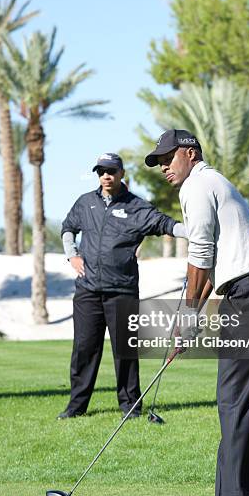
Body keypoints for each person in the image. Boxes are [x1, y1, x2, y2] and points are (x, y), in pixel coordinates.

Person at [145, 130, 249, 496]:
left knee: (232, 398)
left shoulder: (196, 185)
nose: (162, 168)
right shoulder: (212, 182)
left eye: (167, 159)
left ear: (189, 154)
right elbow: (209, 268)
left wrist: (189, 317)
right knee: (247, 399)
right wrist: (190, 322)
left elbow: (201, 257)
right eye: (158, 162)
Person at [58, 152, 186, 420]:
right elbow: (68, 227)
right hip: (88, 290)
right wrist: (72, 254)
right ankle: (76, 407)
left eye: (111, 171)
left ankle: (130, 407)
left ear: (121, 174)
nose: (106, 175)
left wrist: (194, 231)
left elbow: (164, 224)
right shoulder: (85, 203)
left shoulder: (136, 207)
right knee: (84, 349)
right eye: (101, 171)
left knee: (125, 350)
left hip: (123, 291)